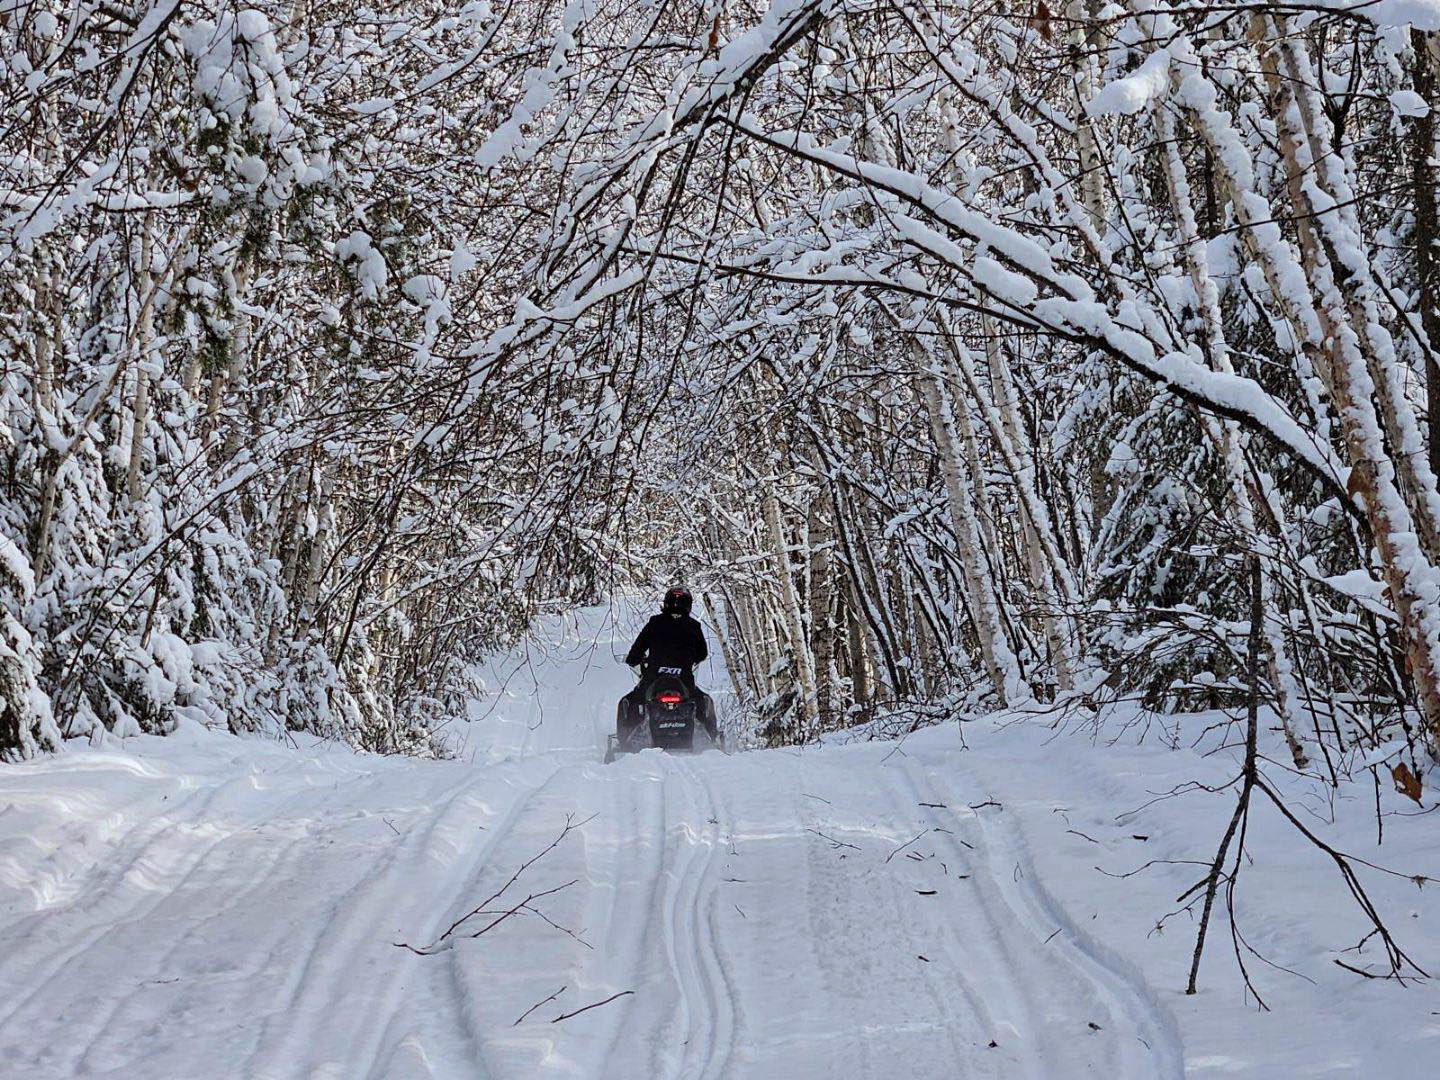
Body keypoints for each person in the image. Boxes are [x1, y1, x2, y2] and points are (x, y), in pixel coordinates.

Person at [618, 585, 718, 740]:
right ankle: (711, 738)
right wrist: (690, 659)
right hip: (684, 679)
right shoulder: (694, 626)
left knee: (633, 700)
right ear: (688, 604)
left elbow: (637, 649)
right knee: (701, 700)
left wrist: (634, 659)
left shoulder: (655, 623)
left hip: (653, 678)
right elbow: (702, 653)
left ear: (666, 602)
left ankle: (625, 740)